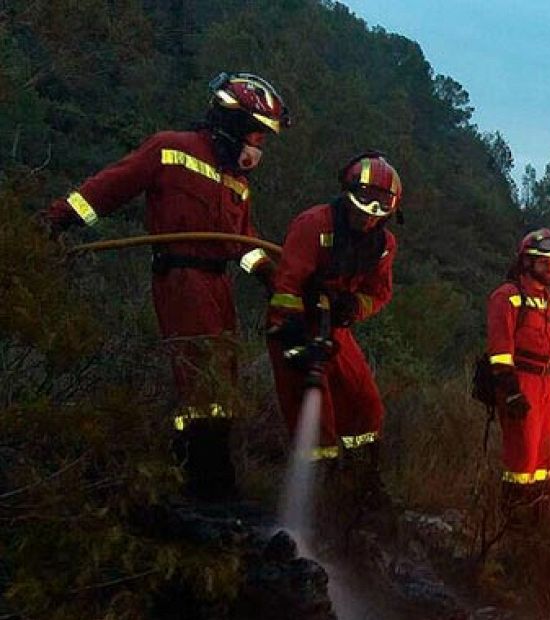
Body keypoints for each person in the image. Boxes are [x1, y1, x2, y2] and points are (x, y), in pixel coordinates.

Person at [42, 73, 289, 500]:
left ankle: (202, 474)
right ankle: (203, 483)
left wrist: (271, 276)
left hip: (217, 284)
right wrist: (58, 219)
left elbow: (242, 244)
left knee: (222, 380)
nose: (257, 145)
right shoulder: (170, 148)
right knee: (200, 375)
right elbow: (109, 188)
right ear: (231, 119)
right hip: (181, 276)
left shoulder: (237, 183)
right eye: (254, 132)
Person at [264, 152, 400, 512]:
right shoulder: (314, 224)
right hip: (294, 324)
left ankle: (361, 483)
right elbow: (286, 287)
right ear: (348, 192)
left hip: (335, 329)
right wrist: (294, 340)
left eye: (380, 207)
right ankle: (316, 500)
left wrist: (353, 307)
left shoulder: (384, 244)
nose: (369, 214)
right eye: (363, 201)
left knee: (365, 403)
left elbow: (379, 293)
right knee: (314, 413)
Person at [485, 227, 550, 529]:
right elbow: (499, 349)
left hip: (547, 383)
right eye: (543, 262)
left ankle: (538, 522)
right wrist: (510, 390)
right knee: (521, 457)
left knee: (547, 457)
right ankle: (512, 524)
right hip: (521, 381)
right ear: (526, 262)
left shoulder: (549, 302)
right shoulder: (507, 297)